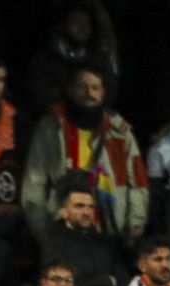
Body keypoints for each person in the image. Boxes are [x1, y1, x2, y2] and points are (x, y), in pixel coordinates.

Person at [23, 64, 147, 242]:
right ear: (70, 89)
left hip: (109, 231)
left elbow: (138, 182)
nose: (89, 93)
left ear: (103, 92)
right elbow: (34, 182)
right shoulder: (51, 128)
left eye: (95, 87)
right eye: (83, 87)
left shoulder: (120, 131)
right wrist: (40, 229)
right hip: (61, 231)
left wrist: (136, 222)